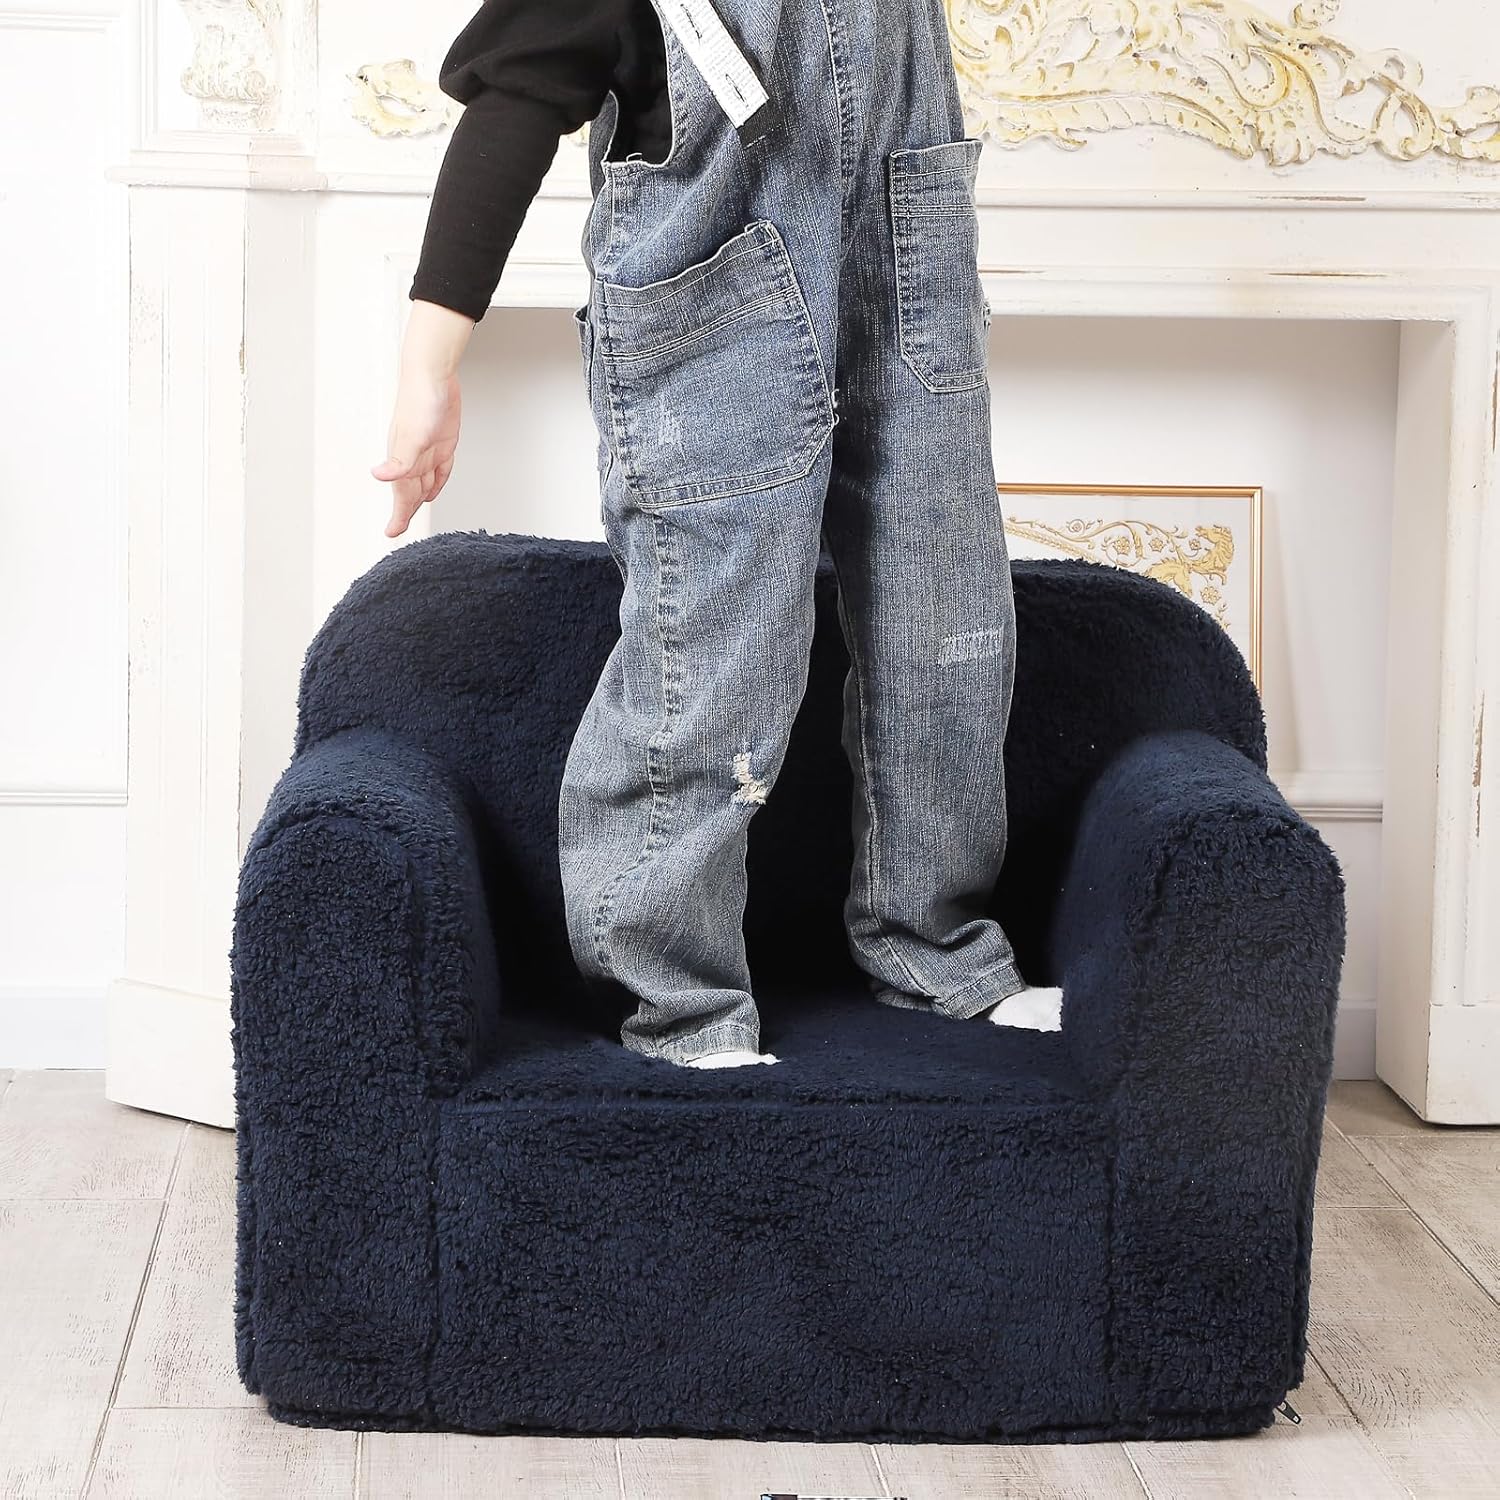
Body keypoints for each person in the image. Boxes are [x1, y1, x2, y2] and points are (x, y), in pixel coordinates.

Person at [377, 0, 1063, 1069]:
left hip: (910, 283)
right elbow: (514, 100)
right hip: (714, 316)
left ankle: (937, 950)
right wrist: (429, 368)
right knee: (712, 666)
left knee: (948, 639)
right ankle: (676, 1003)